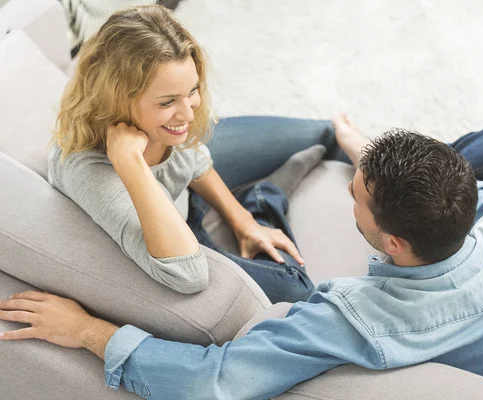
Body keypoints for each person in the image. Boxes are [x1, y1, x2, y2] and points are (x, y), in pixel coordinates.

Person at [0, 106, 483, 399]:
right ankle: (376, 159)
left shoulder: (355, 319)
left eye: (356, 194)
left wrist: (89, 332)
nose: (349, 192)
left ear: (394, 243)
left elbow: (212, 383)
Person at [47, 5, 351, 303]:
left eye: (191, 91)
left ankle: (390, 217)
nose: (188, 115)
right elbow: (189, 275)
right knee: (297, 291)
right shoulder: (89, 171)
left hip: (185, 194)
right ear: (116, 99)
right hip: (177, 227)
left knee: (328, 132)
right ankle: (264, 195)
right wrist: (131, 164)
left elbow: (193, 158)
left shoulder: (163, 122)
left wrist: (242, 220)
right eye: (167, 102)